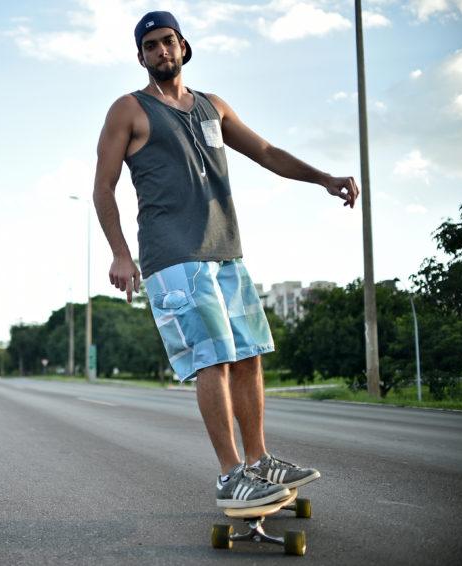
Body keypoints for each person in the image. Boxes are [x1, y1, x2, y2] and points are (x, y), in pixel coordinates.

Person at [93, 11, 358, 509]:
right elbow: (102, 187)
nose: (161, 52)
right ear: (141, 57)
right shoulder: (127, 110)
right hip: (173, 256)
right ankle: (230, 473)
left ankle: (258, 461)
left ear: (184, 46)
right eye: (150, 46)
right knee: (211, 359)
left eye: (167, 42)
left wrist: (324, 178)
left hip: (225, 251)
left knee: (249, 354)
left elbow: (267, 152)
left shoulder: (213, 107)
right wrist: (121, 253)